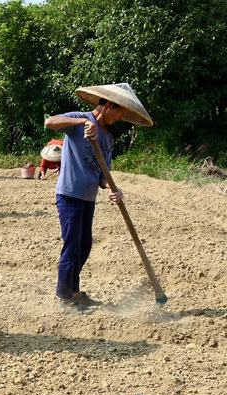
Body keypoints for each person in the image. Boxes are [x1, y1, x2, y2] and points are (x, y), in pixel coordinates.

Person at [44, 83, 153, 314]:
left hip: (88, 197)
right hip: (69, 194)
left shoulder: (108, 138)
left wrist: (112, 188)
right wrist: (83, 123)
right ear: (109, 105)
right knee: (72, 245)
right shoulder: (79, 119)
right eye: (120, 112)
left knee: (84, 247)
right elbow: (50, 122)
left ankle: (74, 291)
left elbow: (103, 174)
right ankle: (64, 298)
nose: (121, 117)